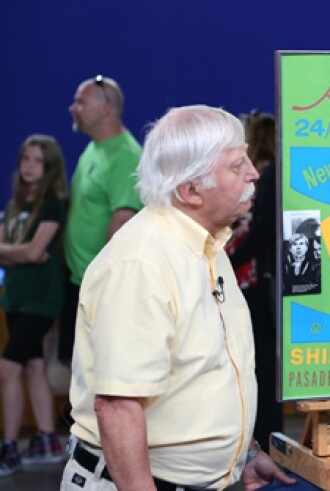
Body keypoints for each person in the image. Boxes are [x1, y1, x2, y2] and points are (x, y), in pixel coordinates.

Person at [62, 105, 296, 490]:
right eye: (237, 167)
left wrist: (244, 455)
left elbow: (208, 371)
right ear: (190, 191)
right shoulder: (141, 263)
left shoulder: (207, 246)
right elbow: (118, 407)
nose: (254, 174)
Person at [59, 75, 143, 364]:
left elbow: (121, 224)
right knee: (78, 375)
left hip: (99, 290)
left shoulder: (127, 156)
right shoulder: (94, 149)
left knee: (98, 378)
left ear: (106, 110)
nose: (73, 108)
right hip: (79, 283)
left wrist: (102, 287)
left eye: (80, 102)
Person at [0, 135, 68, 476]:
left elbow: (31, 252)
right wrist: (22, 252)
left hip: (40, 299)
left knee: (7, 369)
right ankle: (46, 438)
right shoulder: (15, 205)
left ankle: (10, 447)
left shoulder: (53, 202)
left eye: (37, 160)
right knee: (33, 366)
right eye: (25, 158)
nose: (28, 165)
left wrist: (13, 251)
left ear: (50, 167)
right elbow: (25, 252)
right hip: (14, 295)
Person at [227, 110, 282, 449]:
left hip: (250, 280)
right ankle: (262, 440)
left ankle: (262, 440)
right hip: (253, 279)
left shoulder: (263, 177)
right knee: (258, 364)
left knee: (257, 364)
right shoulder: (270, 174)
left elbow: (259, 232)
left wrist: (228, 258)